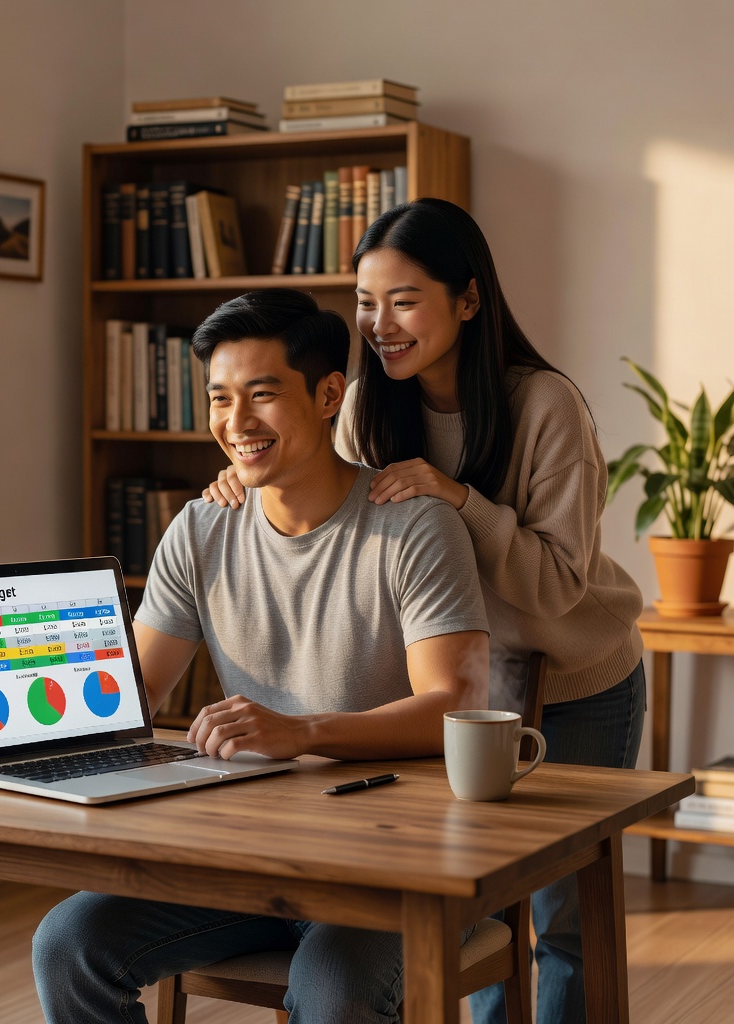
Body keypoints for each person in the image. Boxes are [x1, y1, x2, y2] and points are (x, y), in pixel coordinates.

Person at [202, 200, 647, 1024]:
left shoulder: (546, 404)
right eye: (368, 303)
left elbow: (556, 587)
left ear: (468, 300)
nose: (380, 323)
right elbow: (333, 500)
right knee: (472, 890)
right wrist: (245, 475)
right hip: (463, 687)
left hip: (578, 677)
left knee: (560, 921)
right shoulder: (373, 402)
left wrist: (459, 498)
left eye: (404, 300)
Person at [32, 288, 490, 1024]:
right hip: (245, 861)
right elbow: (131, 697)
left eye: (262, 396)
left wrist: (302, 731)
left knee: (334, 989)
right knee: (69, 945)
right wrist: (24, 708)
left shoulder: (416, 527)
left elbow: (457, 708)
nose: (235, 424)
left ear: (329, 395)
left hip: (397, 866)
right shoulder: (202, 528)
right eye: (218, 399)